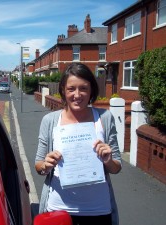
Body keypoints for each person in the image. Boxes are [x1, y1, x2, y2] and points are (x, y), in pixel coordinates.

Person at [35, 62, 122, 225]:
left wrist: (108, 160)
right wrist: (46, 165)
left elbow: (116, 167)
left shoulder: (104, 118)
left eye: (83, 88)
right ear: (63, 90)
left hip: (98, 211)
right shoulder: (50, 121)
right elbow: (38, 166)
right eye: (71, 89)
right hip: (58, 210)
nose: (77, 94)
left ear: (91, 91)